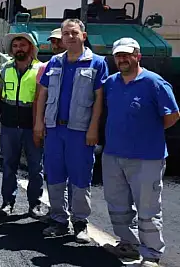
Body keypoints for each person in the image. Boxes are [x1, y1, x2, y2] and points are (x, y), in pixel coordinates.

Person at [102, 38, 179, 267]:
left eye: (127, 54)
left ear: (138, 56)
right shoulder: (111, 82)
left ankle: (152, 254)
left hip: (147, 157)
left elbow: (172, 115)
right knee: (118, 205)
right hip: (113, 154)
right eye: (118, 55)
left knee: (148, 208)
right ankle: (128, 245)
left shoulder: (154, 83)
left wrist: (148, 132)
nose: (122, 59)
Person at [35, 19, 108, 242]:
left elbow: (99, 99)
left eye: (74, 33)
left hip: (80, 130)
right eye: (66, 34)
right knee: (55, 175)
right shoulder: (54, 62)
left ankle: (79, 222)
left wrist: (94, 127)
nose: (69, 37)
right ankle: (58, 219)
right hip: (54, 129)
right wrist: (39, 123)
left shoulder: (96, 63)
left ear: (83, 36)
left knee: (80, 177)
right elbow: (43, 95)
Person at [0, 32, 45, 218]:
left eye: (22, 45)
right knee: (8, 165)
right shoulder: (5, 68)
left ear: (31, 47)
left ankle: (35, 205)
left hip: (32, 125)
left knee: (35, 167)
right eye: (15, 46)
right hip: (9, 125)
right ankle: (7, 202)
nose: (18, 49)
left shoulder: (41, 68)